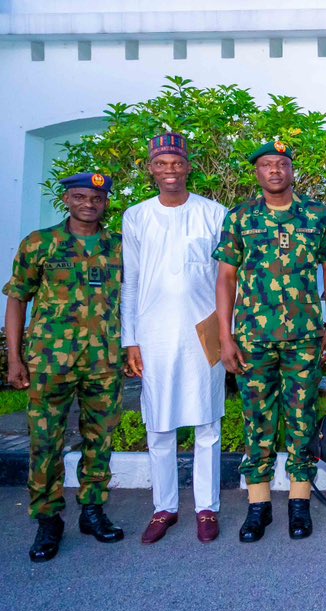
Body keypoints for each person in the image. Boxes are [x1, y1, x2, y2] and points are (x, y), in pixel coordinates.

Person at [213, 140, 326, 542]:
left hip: (304, 337)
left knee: (302, 419)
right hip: (252, 338)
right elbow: (226, 278)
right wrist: (225, 335)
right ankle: (258, 507)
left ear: (291, 171)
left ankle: (299, 504)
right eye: (266, 164)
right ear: (257, 172)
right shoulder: (240, 217)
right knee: (258, 422)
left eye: (281, 164)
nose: (274, 170)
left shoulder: (317, 216)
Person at [4, 172, 125, 562]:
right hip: (49, 361)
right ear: (67, 201)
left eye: (96, 198)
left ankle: (93, 510)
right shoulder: (40, 243)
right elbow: (18, 299)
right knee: (45, 442)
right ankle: (48, 520)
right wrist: (14, 357)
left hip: (103, 360)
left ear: (105, 202)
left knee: (100, 439)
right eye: (79, 196)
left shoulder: (119, 246)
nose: (88, 203)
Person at [121, 133, 227, 545]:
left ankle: (207, 508)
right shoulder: (136, 216)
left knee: (208, 423)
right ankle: (164, 508)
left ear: (188, 167)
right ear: (151, 168)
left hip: (205, 332)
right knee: (159, 426)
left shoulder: (213, 213)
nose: (170, 170)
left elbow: (226, 279)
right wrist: (132, 340)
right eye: (161, 163)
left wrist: (228, 334)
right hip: (155, 334)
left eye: (176, 163)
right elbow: (131, 283)